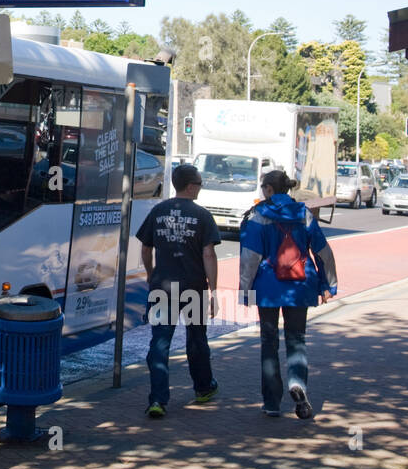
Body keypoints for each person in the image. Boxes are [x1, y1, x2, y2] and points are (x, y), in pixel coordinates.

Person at [239, 169, 338, 419]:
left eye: (263, 187)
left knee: (268, 343)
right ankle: (298, 385)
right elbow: (323, 251)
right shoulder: (303, 213)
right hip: (300, 284)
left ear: (270, 189)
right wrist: (329, 284)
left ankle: (272, 403)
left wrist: (245, 292)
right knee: (296, 339)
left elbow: (250, 258)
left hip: (268, 286)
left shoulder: (259, 215)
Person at [136, 163, 221, 418]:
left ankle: (158, 400)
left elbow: (145, 248)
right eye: (200, 184)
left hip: (163, 286)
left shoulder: (158, 211)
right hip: (193, 286)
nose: (200, 189)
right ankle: (203, 388)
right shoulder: (203, 216)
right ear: (191, 185)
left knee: (160, 342)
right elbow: (208, 254)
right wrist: (214, 290)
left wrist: (151, 275)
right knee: (196, 339)